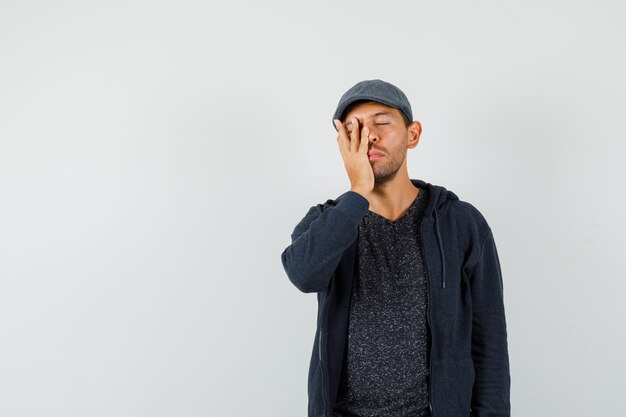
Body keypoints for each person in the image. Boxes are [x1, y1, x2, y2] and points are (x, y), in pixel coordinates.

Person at [280, 79, 511, 417]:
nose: (368, 136)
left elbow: (488, 343)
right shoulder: (325, 222)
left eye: (381, 122)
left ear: (412, 134)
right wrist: (358, 191)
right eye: (353, 129)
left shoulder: (462, 224)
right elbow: (303, 274)